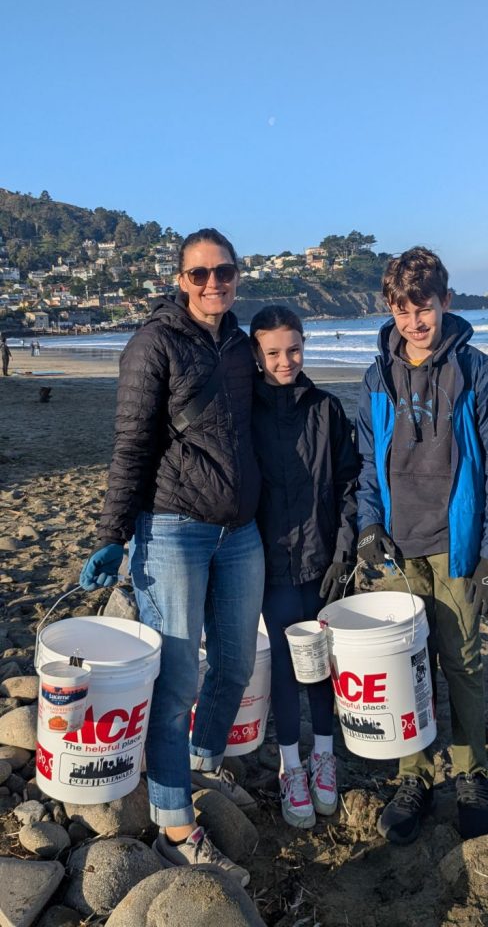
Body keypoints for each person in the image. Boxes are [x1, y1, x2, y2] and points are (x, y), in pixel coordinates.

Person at [79, 229, 265, 886]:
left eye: (225, 272)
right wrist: (112, 534)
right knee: (178, 676)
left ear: (238, 276)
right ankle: (175, 823)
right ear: (180, 280)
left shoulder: (241, 346)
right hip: (174, 528)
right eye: (200, 274)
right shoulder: (152, 345)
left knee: (238, 659)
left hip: (240, 532)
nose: (214, 283)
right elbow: (131, 443)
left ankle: (202, 758)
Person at [355, 246, 488, 845]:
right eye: (401, 310)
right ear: (390, 309)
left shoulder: (480, 373)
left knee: (463, 662)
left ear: (445, 303)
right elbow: (366, 464)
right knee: (408, 666)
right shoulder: (377, 374)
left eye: (422, 308)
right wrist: (368, 525)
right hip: (399, 549)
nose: (413, 322)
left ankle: (473, 773)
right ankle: (415, 775)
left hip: (456, 546)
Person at [250, 305, 358, 829]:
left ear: (304, 345)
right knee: (288, 671)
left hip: (322, 561)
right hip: (267, 565)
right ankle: (290, 766)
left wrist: (344, 552)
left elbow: (349, 484)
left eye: (293, 349)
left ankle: (323, 757)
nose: (285, 360)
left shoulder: (327, 408)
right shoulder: (244, 410)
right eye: (273, 352)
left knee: (322, 664)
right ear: (257, 354)